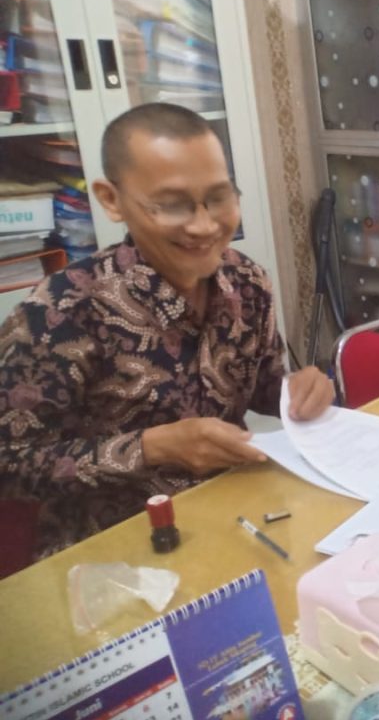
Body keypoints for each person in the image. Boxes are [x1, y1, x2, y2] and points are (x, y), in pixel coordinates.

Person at [0, 102, 335, 560]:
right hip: (114, 552)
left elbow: (262, 387)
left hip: (238, 513)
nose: (204, 225)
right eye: (173, 205)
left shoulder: (247, 282)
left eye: (219, 197)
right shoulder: (60, 312)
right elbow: (9, 462)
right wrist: (150, 449)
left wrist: (298, 390)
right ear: (111, 200)